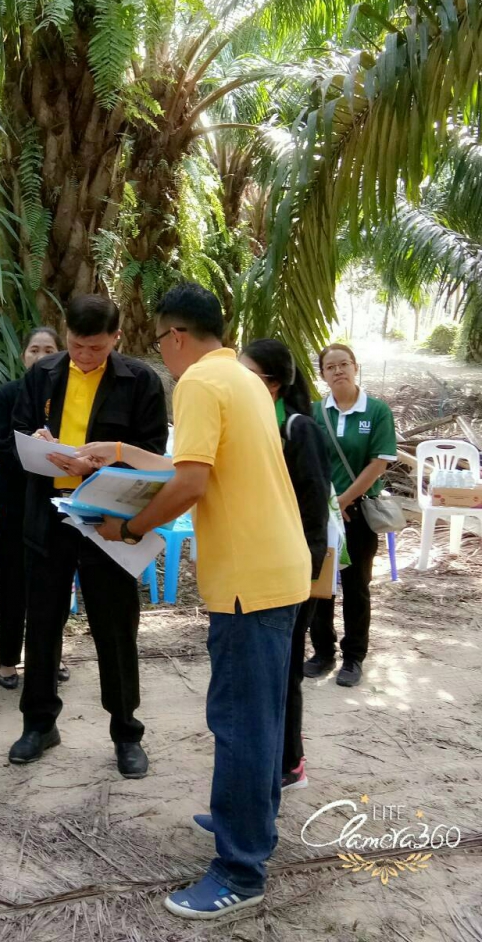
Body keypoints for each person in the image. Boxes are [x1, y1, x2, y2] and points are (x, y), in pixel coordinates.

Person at [82, 284, 310, 920]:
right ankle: (251, 821)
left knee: (239, 722)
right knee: (259, 716)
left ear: (177, 336)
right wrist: (121, 454)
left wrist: (128, 528)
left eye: (160, 341)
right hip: (277, 566)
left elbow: (189, 483)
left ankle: (240, 869)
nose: (162, 353)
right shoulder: (242, 379)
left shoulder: (199, 384)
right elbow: (193, 463)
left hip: (246, 579)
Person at [9, 295, 168, 778]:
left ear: (116, 338)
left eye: (96, 348)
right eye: (77, 345)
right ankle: (39, 724)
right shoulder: (43, 375)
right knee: (42, 625)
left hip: (107, 521)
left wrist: (97, 464)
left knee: (115, 629)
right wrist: (38, 444)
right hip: (49, 518)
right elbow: (16, 432)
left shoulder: (139, 381)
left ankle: (126, 732)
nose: (84, 356)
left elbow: (152, 454)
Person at [240, 339, 331, 792]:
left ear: (272, 384)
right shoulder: (250, 426)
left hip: (294, 569)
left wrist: (307, 573)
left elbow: (315, 509)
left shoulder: (298, 430)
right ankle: (270, 755)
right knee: (265, 670)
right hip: (256, 566)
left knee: (285, 667)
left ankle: (290, 762)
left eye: (247, 375)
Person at [305, 343, 397, 688]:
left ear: (355, 367)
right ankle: (322, 652)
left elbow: (378, 463)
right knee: (320, 586)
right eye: (330, 367)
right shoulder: (315, 412)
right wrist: (325, 504)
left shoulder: (376, 411)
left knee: (357, 587)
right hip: (321, 514)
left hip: (356, 513)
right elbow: (306, 458)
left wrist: (342, 500)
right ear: (323, 374)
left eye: (344, 364)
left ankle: (354, 657)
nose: (338, 371)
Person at [0, 327, 62, 690]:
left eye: (49, 350)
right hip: (14, 500)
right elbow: (3, 446)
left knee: (54, 583)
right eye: (34, 349)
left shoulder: (67, 396)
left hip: (56, 502)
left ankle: (50, 657)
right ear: (23, 356)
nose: (41, 356)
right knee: (13, 581)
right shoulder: (7, 394)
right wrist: (42, 453)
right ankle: (7, 661)